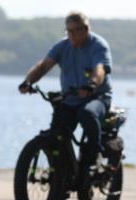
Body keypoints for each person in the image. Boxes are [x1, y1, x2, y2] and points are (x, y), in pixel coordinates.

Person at [18, 11, 115, 167]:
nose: (71, 35)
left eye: (75, 30)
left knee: (87, 113)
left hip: (97, 97)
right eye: (68, 31)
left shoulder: (98, 45)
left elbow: (100, 69)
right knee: (57, 133)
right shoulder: (62, 46)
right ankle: (60, 175)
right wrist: (27, 82)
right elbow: (43, 66)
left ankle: (94, 152)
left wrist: (91, 85)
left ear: (85, 29)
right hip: (71, 98)